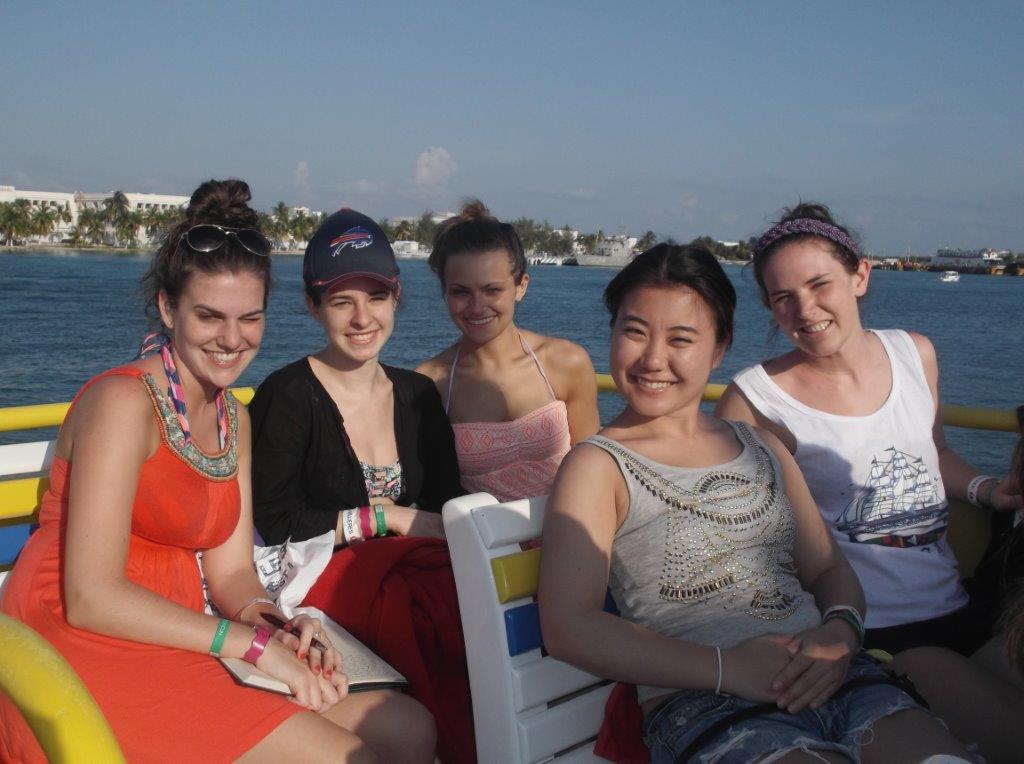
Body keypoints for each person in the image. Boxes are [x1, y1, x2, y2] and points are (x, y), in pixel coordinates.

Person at [0, 180, 434, 763]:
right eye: (209, 316)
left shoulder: (234, 418)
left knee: (409, 730)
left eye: (249, 318)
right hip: (82, 644)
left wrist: (279, 627)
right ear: (168, 307)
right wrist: (250, 647)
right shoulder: (123, 405)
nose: (232, 340)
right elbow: (90, 595)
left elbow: (231, 575)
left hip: (182, 634)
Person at [538, 244, 971, 763]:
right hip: (706, 703)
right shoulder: (598, 465)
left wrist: (840, 632)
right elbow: (568, 626)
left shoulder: (759, 444)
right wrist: (728, 668)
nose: (653, 359)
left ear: (719, 349)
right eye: (635, 332)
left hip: (837, 679)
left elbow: (828, 568)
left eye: (681, 339)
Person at [716, 202, 1023, 655]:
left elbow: (935, 454)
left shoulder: (915, 354)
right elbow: (734, 529)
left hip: (953, 605)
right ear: (770, 306)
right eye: (784, 297)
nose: (806, 309)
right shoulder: (755, 399)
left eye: (820, 284)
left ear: (860, 276)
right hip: (853, 630)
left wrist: (988, 490)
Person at [248, 208, 467, 762]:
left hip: (403, 581)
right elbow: (272, 521)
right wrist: (382, 517)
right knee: (435, 609)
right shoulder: (287, 395)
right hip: (319, 583)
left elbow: (446, 503)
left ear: (396, 298)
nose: (362, 317)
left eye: (376, 297)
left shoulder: (418, 396)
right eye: (342, 301)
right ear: (313, 306)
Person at [417, 200, 599, 502]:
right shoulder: (430, 382)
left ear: (521, 286)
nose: (477, 307)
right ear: (445, 292)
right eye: (461, 292)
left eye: (492, 290)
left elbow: (592, 472)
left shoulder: (566, 362)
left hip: (563, 528)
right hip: (475, 533)